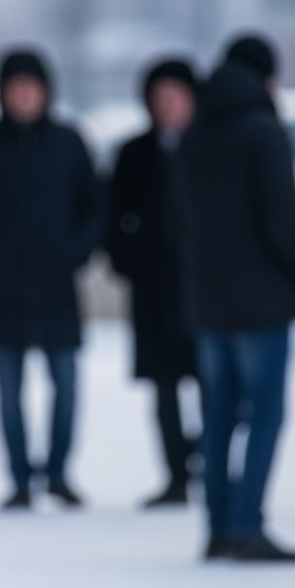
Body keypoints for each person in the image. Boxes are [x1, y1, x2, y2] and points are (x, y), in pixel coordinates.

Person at [0, 48, 101, 511]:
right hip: (2, 287)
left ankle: (58, 474)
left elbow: (95, 204)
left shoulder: (71, 143)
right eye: (16, 88)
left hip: (57, 285)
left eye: (32, 87)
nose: (25, 97)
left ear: (47, 92)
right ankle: (18, 479)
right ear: (2, 93)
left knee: (66, 385)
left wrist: (77, 251)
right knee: (9, 391)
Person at [178, 34, 295, 563]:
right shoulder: (264, 133)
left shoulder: (195, 135)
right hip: (264, 301)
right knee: (265, 414)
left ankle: (217, 528)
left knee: (218, 417)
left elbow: (181, 219)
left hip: (210, 302)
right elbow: (283, 217)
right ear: (266, 78)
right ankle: (247, 523)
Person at [106, 58, 202, 508]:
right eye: (160, 97)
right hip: (154, 290)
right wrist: (129, 262)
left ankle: (204, 457)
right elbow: (114, 217)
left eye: (176, 96)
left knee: (218, 385)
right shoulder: (134, 152)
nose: (168, 106)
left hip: (207, 289)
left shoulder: (210, 148)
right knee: (164, 389)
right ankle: (176, 475)